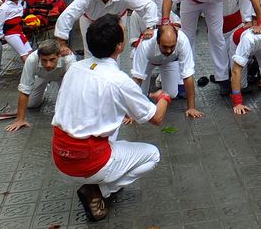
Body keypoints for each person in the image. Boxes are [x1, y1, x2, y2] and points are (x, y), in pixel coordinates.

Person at [51, 16, 171, 223]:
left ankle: (96, 182)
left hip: (60, 157)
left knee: (114, 128)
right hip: (89, 161)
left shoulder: (74, 68)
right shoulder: (119, 80)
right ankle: (101, 190)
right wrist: (164, 98)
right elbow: (156, 118)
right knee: (153, 155)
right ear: (120, 46)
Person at [161, 0, 261, 96]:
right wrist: (165, 22)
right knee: (187, 38)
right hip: (191, 2)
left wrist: (260, 21)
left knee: (217, 37)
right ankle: (183, 80)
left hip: (214, 3)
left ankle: (222, 78)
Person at [54, 0, 161, 55]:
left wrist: (150, 27)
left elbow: (149, 5)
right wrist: (62, 43)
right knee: (90, 52)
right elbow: (68, 14)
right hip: (90, 21)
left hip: (116, 21)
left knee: (116, 51)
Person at [130, 24, 203, 118]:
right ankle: (152, 91)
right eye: (164, 47)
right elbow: (137, 78)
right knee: (141, 94)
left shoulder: (183, 40)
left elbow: (188, 75)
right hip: (148, 63)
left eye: (172, 46)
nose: (169, 51)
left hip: (169, 62)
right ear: (157, 41)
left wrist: (191, 108)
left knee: (171, 94)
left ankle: (160, 83)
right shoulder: (145, 45)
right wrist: (130, 113)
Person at [5, 40, 77, 133]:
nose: (48, 65)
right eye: (44, 60)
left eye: (52, 60)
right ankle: (44, 88)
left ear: (58, 55)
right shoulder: (31, 59)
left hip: (63, 78)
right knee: (31, 104)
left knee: (62, 106)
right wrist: (20, 120)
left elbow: (74, 90)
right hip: (41, 76)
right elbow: (24, 89)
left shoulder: (69, 59)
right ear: (39, 57)